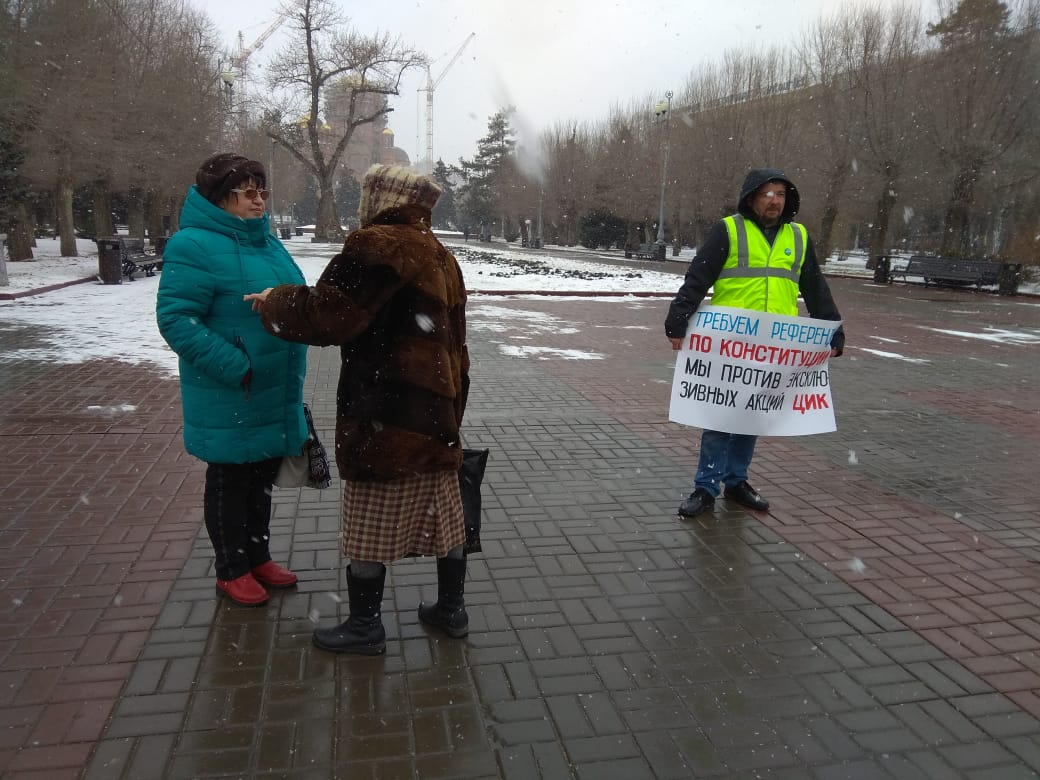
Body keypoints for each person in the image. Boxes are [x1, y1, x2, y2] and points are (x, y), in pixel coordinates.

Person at [244, 164, 470, 655]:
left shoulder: (377, 245)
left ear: (378, 198)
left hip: (386, 416)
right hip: (435, 417)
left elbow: (329, 314)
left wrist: (274, 302)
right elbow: (457, 344)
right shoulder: (439, 251)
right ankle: (451, 609)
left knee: (370, 522)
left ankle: (366, 626)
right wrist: (450, 413)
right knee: (446, 517)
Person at [156, 152, 308, 607]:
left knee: (260, 479)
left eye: (262, 190)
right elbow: (176, 319)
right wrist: (235, 365)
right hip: (232, 390)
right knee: (229, 482)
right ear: (221, 197)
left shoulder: (266, 241)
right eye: (248, 191)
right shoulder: (193, 245)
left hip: (272, 388)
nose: (259, 199)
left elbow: (289, 291)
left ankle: (257, 556)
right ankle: (231, 568)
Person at [665, 167, 845, 518]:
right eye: (767, 194)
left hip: (773, 349)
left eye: (780, 194)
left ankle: (736, 482)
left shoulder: (799, 237)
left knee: (753, 417)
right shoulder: (729, 230)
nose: (774, 200)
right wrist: (678, 320)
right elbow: (698, 277)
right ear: (751, 198)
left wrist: (833, 330)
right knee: (720, 418)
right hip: (728, 346)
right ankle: (705, 486)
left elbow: (815, 287)